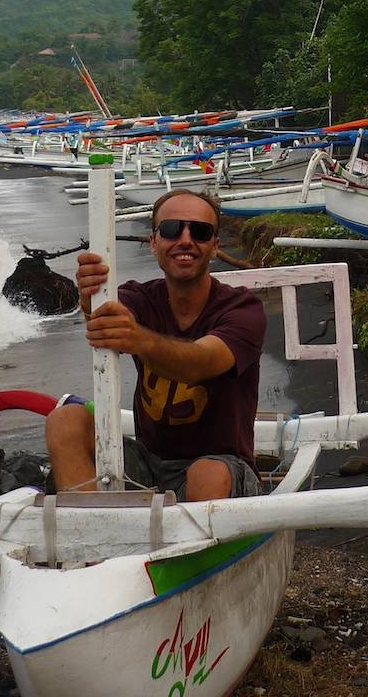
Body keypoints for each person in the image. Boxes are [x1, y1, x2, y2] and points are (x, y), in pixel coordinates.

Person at [44, 189, 266, 501]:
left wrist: (138, 339)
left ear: (215, 246)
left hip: (222, 465)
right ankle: (87, 532)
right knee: (65, 420)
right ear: (153, 242)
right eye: (172, 230)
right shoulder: (140, 298)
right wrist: (90, 296)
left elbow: (201, 363)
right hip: (149, 463)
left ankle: (188, 550)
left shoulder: (243, 309)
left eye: (200, 232)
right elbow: (107, 317)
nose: (185, 240)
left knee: (207, 473)